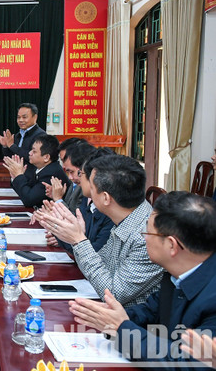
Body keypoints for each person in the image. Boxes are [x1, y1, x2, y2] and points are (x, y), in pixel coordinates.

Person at [68, 192, 216, 369]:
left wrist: (122, 328)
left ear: (171, 245)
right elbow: (150, 311)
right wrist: (109, 316)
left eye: (147, 232)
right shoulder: (176, 273)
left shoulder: (212, 300)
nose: (143, 237)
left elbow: (184, 363)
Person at [38, 154, 163, 307]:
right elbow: (102, 264)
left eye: (91, 187)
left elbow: (113, 294)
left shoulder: (146, 236)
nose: (87, 194)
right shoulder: (127, 216)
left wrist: (79, 241)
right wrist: (77, 238)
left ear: (105, 198)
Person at [41, 146, 115, 253]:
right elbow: (80, 233)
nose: (75, 177)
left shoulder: (109, 211)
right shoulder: (90, 201)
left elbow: (94, 253)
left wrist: (66, 233)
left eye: (80, 173)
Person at [2, 134, 69, 208]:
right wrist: (15, 176)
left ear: (46, 157)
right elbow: (24, 191)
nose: (29, 153)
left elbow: (29, 200)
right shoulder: (41, 168)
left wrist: (19, 175)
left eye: (34, 151)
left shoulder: (51, 173)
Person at [43, 141, 94, 216]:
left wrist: (58, 199)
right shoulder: (75, 181)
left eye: (65, 159)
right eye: (62, 160)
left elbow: (78, 219)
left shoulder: (86, 187)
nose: (64, 165)